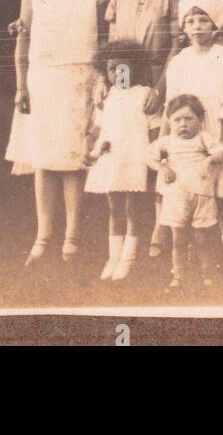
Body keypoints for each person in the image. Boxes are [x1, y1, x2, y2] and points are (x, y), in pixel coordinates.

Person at [5, 0, 107, 266]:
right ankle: (43, 235)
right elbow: (23, 37)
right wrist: (21, 86)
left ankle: (72, 237)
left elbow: (105, 37)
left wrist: (101, 80)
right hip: (43, 77)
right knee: (45, 159)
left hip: (80, 76)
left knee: (75, 158)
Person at [105, 0, 183, 258]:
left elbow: (177, 44)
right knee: (128, 155)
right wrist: (107, 83)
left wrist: (161, 87)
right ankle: (127, 237)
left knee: (157, 154)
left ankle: (159, 229)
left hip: (156, 78)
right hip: (125, 85)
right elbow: (111, 47)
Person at [165, 0, 223, 281]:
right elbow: (171, 107)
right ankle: (188, 263)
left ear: (214, 25)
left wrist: (217, 146)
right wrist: (167, 145)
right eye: (190, 21)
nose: (197, 27)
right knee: (187, 197)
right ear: (184, 27)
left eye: (203, 20)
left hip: (218, 136)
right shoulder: (179, 61)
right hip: (185, 143)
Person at [83, 40, 161, 281]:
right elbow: (97, 126)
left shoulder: (145, 94)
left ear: (135, 68)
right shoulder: (107, 96)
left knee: (132, 208)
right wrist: (88, 144)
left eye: (123, 68)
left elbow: (155, 131)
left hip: (134, 157)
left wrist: (154, 159)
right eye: (112, 69)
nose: (118, 74)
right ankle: (113, 257)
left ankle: (128, 258)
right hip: (111, 157)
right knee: (114, 208)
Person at [146, 94, 223, 289]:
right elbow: (148, 156)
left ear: (200, 120)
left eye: (189, 119)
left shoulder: (203, 138)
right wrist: (163, 168)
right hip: (176, 197)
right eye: (177, 120)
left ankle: (206, 273)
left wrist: (209, 160)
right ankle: (178, 275)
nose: (183, 124)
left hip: (202, 196)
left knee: (202, 239)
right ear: (169, 121)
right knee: (178, 239)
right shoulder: (167, 141)